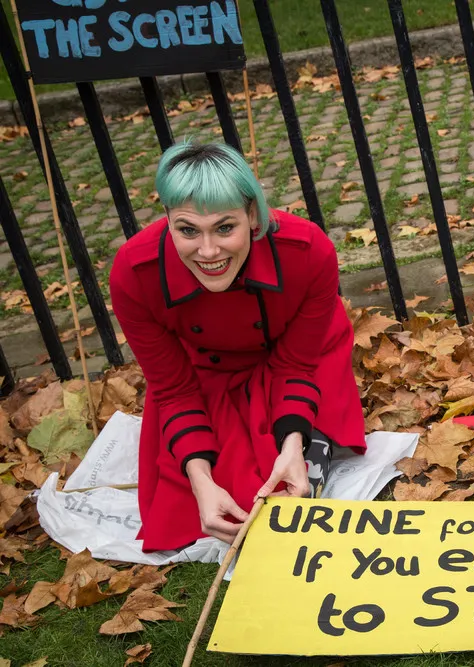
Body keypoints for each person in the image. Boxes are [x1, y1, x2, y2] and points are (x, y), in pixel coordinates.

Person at [109, 141, 366, 551]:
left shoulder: (308, 250)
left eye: (225, 228)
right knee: (201, 500)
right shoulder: (133, 274)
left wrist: (293, 443)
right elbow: (173, 389)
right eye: (188, 230)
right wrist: (200, 479)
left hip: (299, 357)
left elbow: (297, 365)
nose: (208, 252)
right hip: (206, 371)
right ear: (168, 220)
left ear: (252, 214)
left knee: (287, 488)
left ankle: (312, 443)